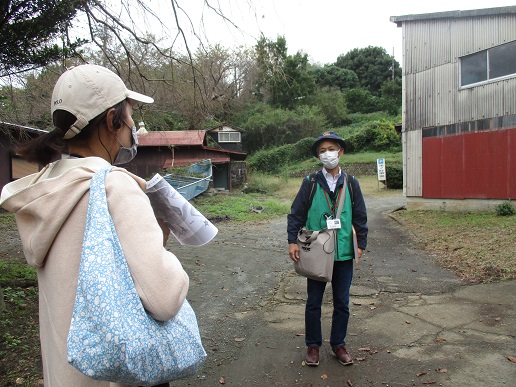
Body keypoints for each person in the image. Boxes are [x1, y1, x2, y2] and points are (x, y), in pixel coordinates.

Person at [0, 64, 189, 387]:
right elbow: (164, 297)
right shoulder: (115, 187)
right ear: (112, 121)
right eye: (130, 118)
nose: (134, 129)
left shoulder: (45, 189)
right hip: (117, 374)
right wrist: (159, 246)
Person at [287, 131, 368, 367]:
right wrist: (293, 240)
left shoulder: (351, 183)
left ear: (341, 152)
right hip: (317, 252)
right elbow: (296, 214)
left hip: (343, 252)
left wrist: (360, 244)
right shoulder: (310, 183)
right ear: (318, 156)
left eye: (331, 149)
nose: (327, 154)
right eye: (322, 151)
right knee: (314, 302)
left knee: (342, 302)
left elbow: (361, 217)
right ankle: (313, 347)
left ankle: (338, 345)